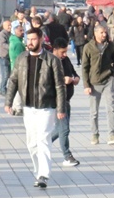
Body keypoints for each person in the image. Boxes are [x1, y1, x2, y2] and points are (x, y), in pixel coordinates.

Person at [4, 28, 67, 189]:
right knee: (32, 142)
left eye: (33, 39)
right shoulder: (21, 59)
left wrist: (60, 108)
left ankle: (44, 175)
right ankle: (38, 171)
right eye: (28, 39)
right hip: (29, 107)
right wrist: (8, 102)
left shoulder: (52, 60)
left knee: (43, 139)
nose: (30, 42)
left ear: (40, 40)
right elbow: (13, 80)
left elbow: (60, 86)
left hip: (46, 107)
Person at [80, 24, 114, 145]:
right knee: (94, 111)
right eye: (102, 33)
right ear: (95, 33)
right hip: (94, 82)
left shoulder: (110, 45)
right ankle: (95, 134)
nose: (104, 35)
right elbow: (84, 67)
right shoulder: (88, 47)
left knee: (111, 108)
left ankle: (112, 134)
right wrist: (86, 85)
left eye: (105, 33)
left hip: (108, 80)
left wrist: (113, 74)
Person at [48, 38, 81, 168]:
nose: (64, 54)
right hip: (56, 100)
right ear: (54, 50)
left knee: (59, 129)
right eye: (62, 52)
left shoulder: (65, 60)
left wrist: (75, 78)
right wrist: (63, 80)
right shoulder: (49, 61)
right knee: (64, 129)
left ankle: (42, 144)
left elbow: (74, 73)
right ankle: (67, 156)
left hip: (67, 99)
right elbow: (46, 80)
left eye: (66, 51)